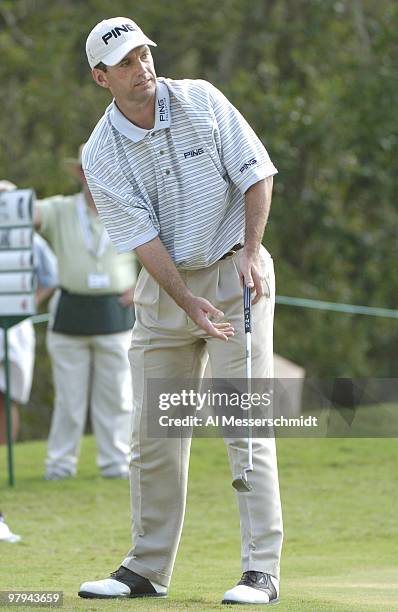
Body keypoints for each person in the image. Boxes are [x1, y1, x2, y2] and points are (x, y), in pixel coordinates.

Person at [78, 17, 283, 605]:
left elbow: (257, 174)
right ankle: (145, 569)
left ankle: (260, 572)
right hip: (166, 292)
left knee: (244, 426)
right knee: (152, 436)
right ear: (102, 78)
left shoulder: (201, 100)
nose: (141, 68)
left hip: (232, 272)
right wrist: (186, 302)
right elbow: (143, 241)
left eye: (144, 55)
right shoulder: (101, 152)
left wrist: (249, 251)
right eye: (125, 63)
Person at [34, 146, 138, 480]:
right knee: (69, 399)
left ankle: (115, 463)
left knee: (118, 396)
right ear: (79, 173)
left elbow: (163, 247)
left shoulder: (128, 207)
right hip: (71, 312)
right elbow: (24, 212)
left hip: (115, 312)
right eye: (87, 169)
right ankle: (60, 466)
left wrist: (144, 286)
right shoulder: (61, 209)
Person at [0, 180, 58, 445]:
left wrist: (28, 303)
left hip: (15, 324)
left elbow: (51, 277)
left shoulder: (30, 239)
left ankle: (5, 450)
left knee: (8, 394)